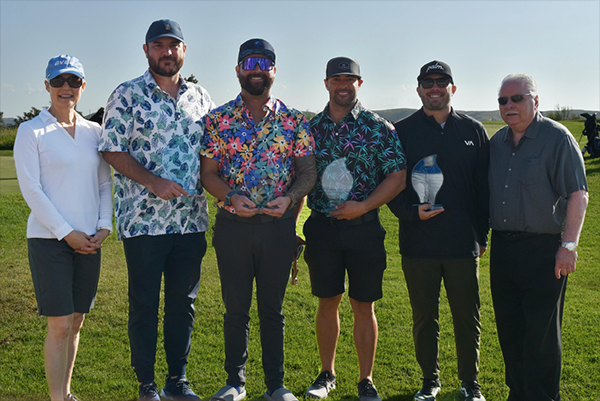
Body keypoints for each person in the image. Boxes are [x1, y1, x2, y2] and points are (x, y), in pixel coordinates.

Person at [98, 19, 215, 401]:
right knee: (145, 303)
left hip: (191, 221)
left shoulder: (201, 97)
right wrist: (153, 182)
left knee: (183, 303)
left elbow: (216, 154)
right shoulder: (127, 95)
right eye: (158, 45)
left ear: (184, 50)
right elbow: (111, 149)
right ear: (146, 50)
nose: (167, 52)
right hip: (143, 222)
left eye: (173, 45)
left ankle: (177, 381)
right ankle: (146, 383)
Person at [200, 38, 317, 401]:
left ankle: (275, 386)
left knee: (272, 310)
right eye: (249, 63)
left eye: (264, 64)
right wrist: (230, 196)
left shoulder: (294, 121)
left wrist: (290, 197)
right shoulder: (218, 120)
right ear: (238, 69)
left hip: (277, 229)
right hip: (233, 229)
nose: (256, 70)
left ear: (273, 71)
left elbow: (307, 172)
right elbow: (208, 173)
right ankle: (235, 383)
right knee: (235, 309)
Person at [303, 57, 406, 401]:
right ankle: (327, 373)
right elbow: (299, 179)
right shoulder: (311, 129)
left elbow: (397, 176)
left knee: (364, 305)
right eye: (336, 79)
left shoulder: (379, 128)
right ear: (327, 83)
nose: (343, 85)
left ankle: (366, 379)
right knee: (327, 301)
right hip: (322, 229)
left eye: (350, 79)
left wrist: (362, 206)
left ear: (359, 84)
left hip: (364, 229)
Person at [387, 60, 489, 401]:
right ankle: (430, 381)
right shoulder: (401, 131)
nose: (434, 87)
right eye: (427, 82)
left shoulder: (473, 130)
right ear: (418, 90)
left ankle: (469, 383)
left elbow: (482, 189)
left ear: (452, 89)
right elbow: (391, 186)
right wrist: (411, 214)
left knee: (466, 317)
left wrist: (482, 236)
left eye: (441, 82)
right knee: (424, 318)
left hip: (463, 244)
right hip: (419, 245)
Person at [13, 54, 113, 401]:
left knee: (76, 322)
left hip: (89, 240)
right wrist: (65, 233)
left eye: (73, 82)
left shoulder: (94, 132)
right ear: (47, 86)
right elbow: (31, 190)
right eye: (58, 81)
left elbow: (103, 184)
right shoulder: (30, 131)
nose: (65, 88)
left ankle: (67, 393)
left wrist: (104, 226)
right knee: (58, 324)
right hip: (49, 240)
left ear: (83, 87)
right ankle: (57, 398)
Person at [489, 73, 588, 401]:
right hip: (503, 250)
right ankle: (518, 394)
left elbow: (578, 194)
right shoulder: (497, 143)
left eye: (517, 98)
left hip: (544, 251)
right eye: (503, 100)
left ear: (536, 101)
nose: (509, 105)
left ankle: (543, 397)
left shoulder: (556, 138)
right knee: (510, 331)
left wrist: (568, 246)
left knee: (541, 336)